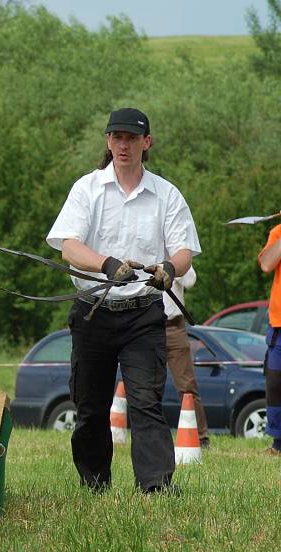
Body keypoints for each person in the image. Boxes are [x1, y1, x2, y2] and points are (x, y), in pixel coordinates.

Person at [46, 107, 201, 494]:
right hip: (93, 310)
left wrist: (169, 267)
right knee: (91, 407)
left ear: (146, 143)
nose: (123, 145)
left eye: (132, 138)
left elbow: (184, 252)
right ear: (108, 141)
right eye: (116, 137)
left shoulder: (166, 194)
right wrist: (106, 263)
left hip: (144, 311)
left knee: (147, 401)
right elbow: (68, 246)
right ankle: (94, 483)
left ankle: (155, 486)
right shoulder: (87, 189)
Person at [163, 265, 209, 448]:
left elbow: (190, 280)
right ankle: (152, 437)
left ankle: (201, 437)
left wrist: (172, 262)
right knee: (146, 386)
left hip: (173, 325)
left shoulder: (176, 256)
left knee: (186, 385)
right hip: (145, 325)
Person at [257, 225, 281, 455]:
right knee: (275, 382)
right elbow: (266, 264)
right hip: (279, 325)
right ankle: (277, 442)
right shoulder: (277, 232)